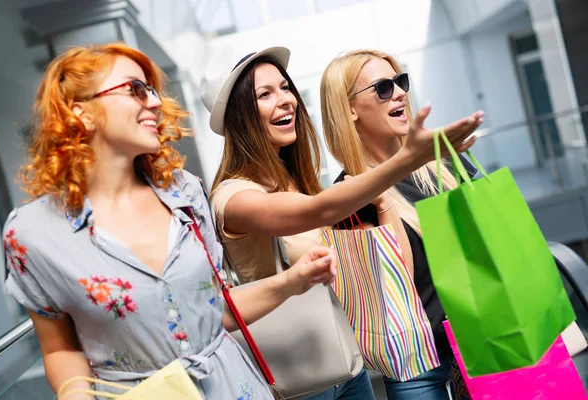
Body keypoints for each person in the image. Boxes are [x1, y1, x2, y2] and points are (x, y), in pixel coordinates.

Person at [2, 43, 340, 400]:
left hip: (236, 388)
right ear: (81, 113)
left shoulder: (185, 194)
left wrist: (293, 280)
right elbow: (59, 349)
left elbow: (216, 309)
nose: (154, 102)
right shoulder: (31, 235)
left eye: (151, 90)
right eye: (135, 89)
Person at [200, 46, 482, 399]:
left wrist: (383, 203)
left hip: (347, 366)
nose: (286, 100)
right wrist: (408, 159)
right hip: (300, 379)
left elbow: (387, 280)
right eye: (265, 94)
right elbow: (315, 212)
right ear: (239, 116)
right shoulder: (233, 196)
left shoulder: (300, 182)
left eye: (285, 87)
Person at [320, 49, 481, 399]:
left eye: (400, 81)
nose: (399, 92)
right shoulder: (348, 196)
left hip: (486, 336)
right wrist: (381, 199)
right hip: (419, 367)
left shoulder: (444, 164)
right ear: (349, 109)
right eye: (382, 87)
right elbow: (396, 290)